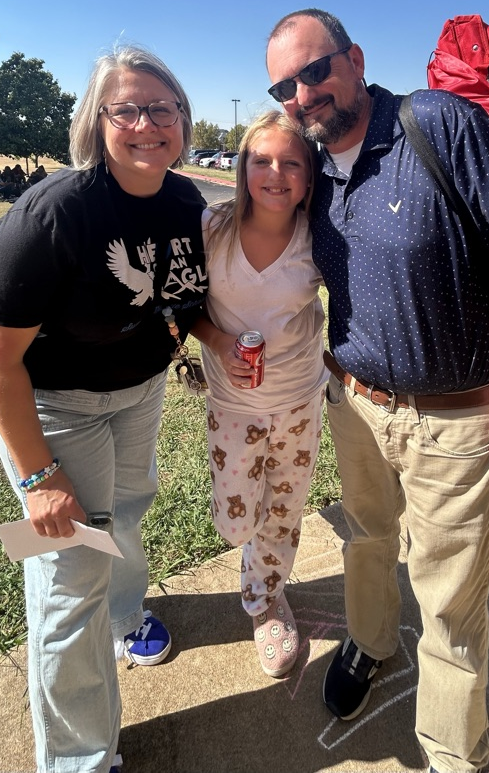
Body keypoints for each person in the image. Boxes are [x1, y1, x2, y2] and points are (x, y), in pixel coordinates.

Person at [266, 9, 489, 773]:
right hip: (357, 408)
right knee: (367, 541)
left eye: (315, 70)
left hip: (456, 418)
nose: (303, 93)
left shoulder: (436, 124)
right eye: (283, 85)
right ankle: (370, 644)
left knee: (452, 611)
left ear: (354, 59)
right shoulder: (312, 169)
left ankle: (452, 753)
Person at [0, 46, 207, 773]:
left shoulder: (185, 199)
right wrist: (39, 477)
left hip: (141, 392)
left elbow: (180, 300)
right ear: (96, 124)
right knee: (69, 574)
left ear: (182, 119)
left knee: (127, 511)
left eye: (161, 107)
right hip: (56, 409)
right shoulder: (53, 212)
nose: (146, 123)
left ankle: (125, 617)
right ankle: (79, 760)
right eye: (125, 109)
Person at [191, 111, 327, 678]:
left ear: (309, 174)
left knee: (283, 509)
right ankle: (253, 561)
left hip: (299, 399)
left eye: (291, 162)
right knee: (237, 517)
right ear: (243, 167)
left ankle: (266, 600)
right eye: (262, 160)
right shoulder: (210, 228)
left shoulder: (321, 237)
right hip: (232, 404)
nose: (276, 173)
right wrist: (219, 341)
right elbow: (180, 305)